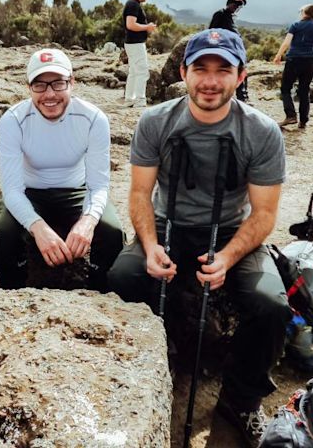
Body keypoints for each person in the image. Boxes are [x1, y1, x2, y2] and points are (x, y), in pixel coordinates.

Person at [108, 28, 290, 446]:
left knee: (271, 306)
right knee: (124, 277)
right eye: (200, 69)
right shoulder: (156, 121)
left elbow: (263, 215)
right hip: (168, 226)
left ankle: (241, 400)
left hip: (231, 232)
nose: (210, 81)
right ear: (183, 72)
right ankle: (153, 364)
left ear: (241, 76)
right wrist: (151, 247)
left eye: (222, 70)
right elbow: (139, 194)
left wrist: (226, 257)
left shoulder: (261, 132)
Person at [0, 48, 124, 292]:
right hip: (29, 192)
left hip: (76, 190)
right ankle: (11, 297)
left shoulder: (93, 119)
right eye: (40, 85)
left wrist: (88, 221)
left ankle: (102, 295)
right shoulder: (13, 121)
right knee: (6, 236)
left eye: (58, 83)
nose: (49, 94)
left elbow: (99, 185)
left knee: (112, 231)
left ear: (72, 82)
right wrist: (38, 228)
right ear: (28, 87)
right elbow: (11, 190)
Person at [273, 4, 313, 130]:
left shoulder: (296, 25)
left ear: (305, 13)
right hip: (308, 61)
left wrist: (279, 55)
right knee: (304, 91)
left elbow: (286, 42)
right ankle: (303, 121)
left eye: (301, 11)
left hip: (293, 60)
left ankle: (291, 115)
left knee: (285, 88)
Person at [122, 0, 157, 108]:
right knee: (142, 71)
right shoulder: (133, 5)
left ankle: (130, 99)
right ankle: (140, 100)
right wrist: (147, 27)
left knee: (134, 71)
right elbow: (130, 25)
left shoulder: (131, 3)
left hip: (131, 43)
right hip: (136, 43)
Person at [209, 0, 249, 102]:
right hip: (225, 49)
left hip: (235, 49)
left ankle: (243, 98)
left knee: (242, 70)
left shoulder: (231, 17)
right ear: (229, 4)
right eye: (235, 5)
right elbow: (212, 31)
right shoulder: (220, 14)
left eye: (239, 6)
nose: (237, 8)